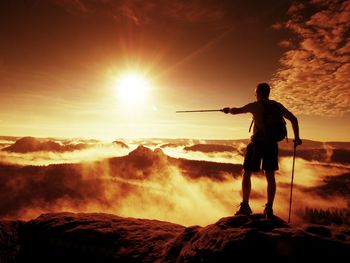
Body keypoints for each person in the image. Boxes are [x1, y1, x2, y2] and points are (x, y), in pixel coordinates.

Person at [222, 83, 302, 218]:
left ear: (258, 93)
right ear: (268, 93)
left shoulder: (255, 105)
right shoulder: (277, 105)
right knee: (270, 176)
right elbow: (294, 119)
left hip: (257, 144)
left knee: (247, 172)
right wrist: (297, 138)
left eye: (256, 93)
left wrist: (227, 110)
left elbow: (236, 110)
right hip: (272, 144)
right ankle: (269, 209)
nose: (255, 95)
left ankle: (245, 206)